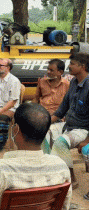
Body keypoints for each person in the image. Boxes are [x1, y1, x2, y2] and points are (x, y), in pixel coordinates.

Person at [48, 53, 89, 192]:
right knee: (43, 132)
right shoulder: (73, 82)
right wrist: (44, 123)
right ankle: (50, 171)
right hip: (68, 126)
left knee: (60, 142)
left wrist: (87, 140)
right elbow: (62, 109)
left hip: (83, 130)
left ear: (82, 66)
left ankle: (70, 178)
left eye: (72, 64)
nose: (69, 66)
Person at [35, 59, 70, 154]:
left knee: (49, 132)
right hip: (41, 114)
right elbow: (36, 99)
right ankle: (45, 155)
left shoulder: (67, 84)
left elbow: (70, 104)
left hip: (58, 116)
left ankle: (50, 156)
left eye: (51, 70)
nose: (48, 72)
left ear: (60, 72)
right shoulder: (42, 82)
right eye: (48, 69)